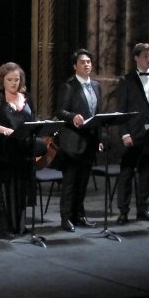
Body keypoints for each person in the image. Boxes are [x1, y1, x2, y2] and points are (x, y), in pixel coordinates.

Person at [115, 42, 149, 225]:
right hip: (133, 133)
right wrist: (124, 134)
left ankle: (143, 209)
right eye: (145, 56)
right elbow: (121, 110)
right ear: (136, 58)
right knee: (127, 174)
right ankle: (123, 212)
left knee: (147, 173)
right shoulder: (127, 80)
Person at [0, 63, 36, 239]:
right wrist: (5, 130)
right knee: (5, 188)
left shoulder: (26, 97)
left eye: (17, 79)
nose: (14, 83)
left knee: (20, 186)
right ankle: (3, 227)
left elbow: (33, 119)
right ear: (2, 80)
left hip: (23, 151)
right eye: (10, 80)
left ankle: (18, 225)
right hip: (3, 151)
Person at [54, 49, 102, 232]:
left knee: (83, 183)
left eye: (89, 61)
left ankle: (79, 215)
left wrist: (98, 138)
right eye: (82, 62)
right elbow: (60, 111)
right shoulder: (69, 86)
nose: (87, 64)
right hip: (72, 142)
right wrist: (73, 116)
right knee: (70, 183)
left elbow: (97, 114)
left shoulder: (96, 86)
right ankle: (66, 218)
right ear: (75, 66)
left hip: (89, 141)